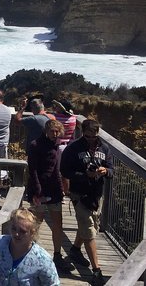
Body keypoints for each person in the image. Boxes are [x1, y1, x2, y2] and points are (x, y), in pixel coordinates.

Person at [60, 119, 113, 286]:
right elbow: (65, 170)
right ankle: (97, 272)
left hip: (97, 195)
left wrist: (106, 171)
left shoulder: (104, 148)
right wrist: (84, 175)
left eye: (95, 136)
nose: (92, 139)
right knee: (89, 230)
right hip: (79, 194)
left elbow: (112, 169)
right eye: (88, 136)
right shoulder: (73, 148)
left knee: (91, 226)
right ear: (83, 132)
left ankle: (75, 250)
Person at [27, 119, 74, 273]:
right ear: (46, 131)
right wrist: (37, 190)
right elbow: (32, 170)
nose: (55, 134)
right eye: (52, 131)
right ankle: (30, 250)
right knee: (36, 223)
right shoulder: (35, 145)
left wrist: (61, 190)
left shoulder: (56, 146)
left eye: (57, 132)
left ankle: (57, 254)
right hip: (38, 189)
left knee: (57, 223)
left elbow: (55, 170)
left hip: (53, 189)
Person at [0, 207, 60, 285]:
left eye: (22, 231)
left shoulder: (43, 259)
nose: (16, 234)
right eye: (14, 229)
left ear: (32, 233)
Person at [52, 99, 78, 193]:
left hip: (59, 147)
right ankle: (66, 191)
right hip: (69, 147)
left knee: (56, 171)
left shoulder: (56, 118)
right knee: (65, 172)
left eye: (58, 106)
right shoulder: (73, 118)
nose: (56, 108)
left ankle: (59, 192)